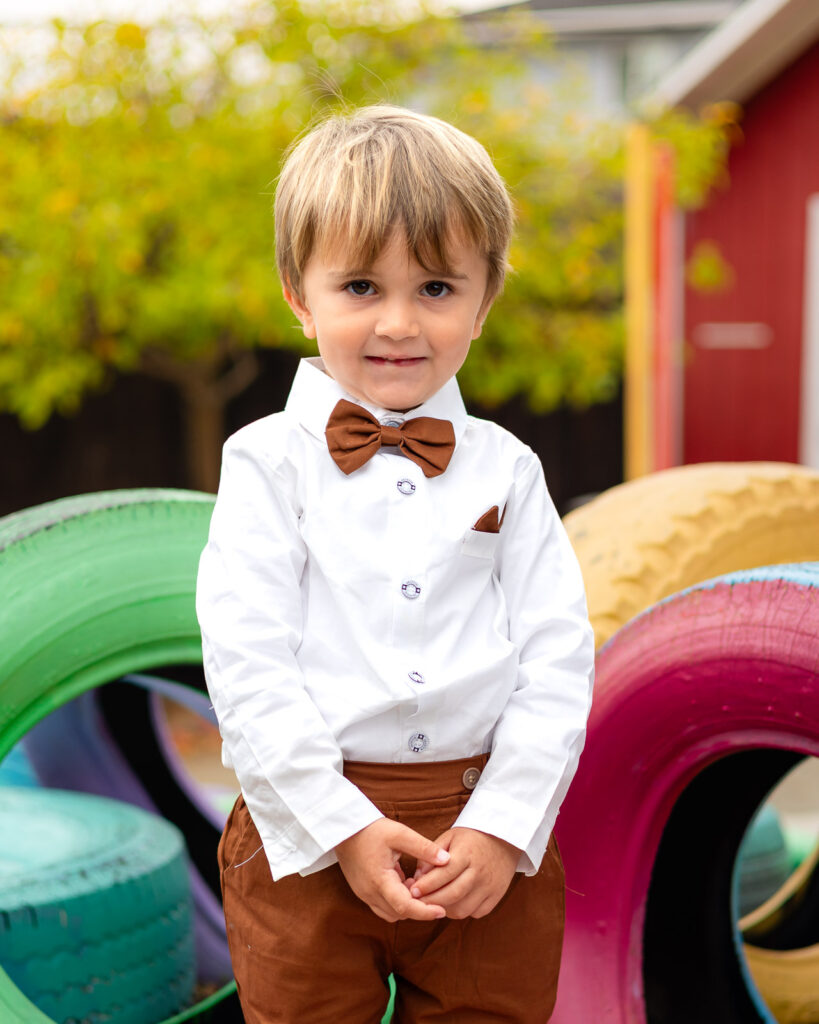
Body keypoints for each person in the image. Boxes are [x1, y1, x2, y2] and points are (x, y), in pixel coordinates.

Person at [196, 104, 595, 1024]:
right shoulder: (265, 462)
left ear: (485, 297)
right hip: (307, 831)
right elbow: (247, 665)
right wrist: (342, 825)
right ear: (300, 294)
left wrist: (502, 824)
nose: (400, 323)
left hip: (482, 829)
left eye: (437, 289)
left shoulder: (509, 467)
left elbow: (556, 659)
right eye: (362, 287)